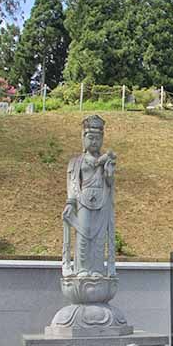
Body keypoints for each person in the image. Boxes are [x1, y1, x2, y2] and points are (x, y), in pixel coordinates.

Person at [62, 114, 116, 277]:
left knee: (99, 237)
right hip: (83, 199)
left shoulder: (105, 161)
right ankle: (82, 269)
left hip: (102, 199)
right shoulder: (77, 162)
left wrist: (109, 171)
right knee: (84, 234)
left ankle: (97, 269)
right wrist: (71, 202)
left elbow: (109, 183)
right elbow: (72, 182)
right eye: (91, 138)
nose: (94, 142)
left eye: (98, 138)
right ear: (83, 138)